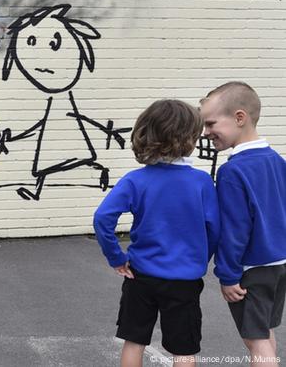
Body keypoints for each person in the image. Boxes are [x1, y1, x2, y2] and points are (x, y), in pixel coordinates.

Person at [93, 99, 220, 367]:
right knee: (184, 348)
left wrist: (116, 257)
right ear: (189, 138)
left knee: (134, 340)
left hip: (141, 275)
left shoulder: (135, 180)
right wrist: (199, 259)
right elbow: (213, 229)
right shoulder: (201, 182)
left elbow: (103, 218)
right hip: (184, 278)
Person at [201, 81, 286, 367]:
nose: (205, 132)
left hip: (252, 268)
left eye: (211, 123)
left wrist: (228, 274)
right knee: (263, 333)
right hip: (279, 262)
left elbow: (235, 230)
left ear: (240, 118)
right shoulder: (276, 160)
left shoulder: (232, 171)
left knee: (255, 340)